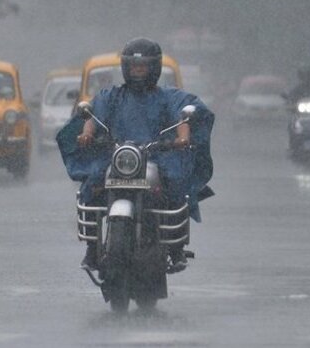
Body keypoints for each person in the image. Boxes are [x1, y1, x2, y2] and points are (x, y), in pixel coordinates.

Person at [57, 37, 214, 271]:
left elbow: (183, 115)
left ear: (154, 68)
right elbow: (91, 115)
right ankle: (92, 247)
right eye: (133, 67)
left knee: (177, 182)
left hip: (158, 157)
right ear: (125, 68)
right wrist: (87, 134)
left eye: (142, 67)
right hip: (119, 157)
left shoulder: (167, 97)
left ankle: (176, 246)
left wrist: (182, 138)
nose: (138, 72)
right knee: (91, 185)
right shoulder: (111, 96)